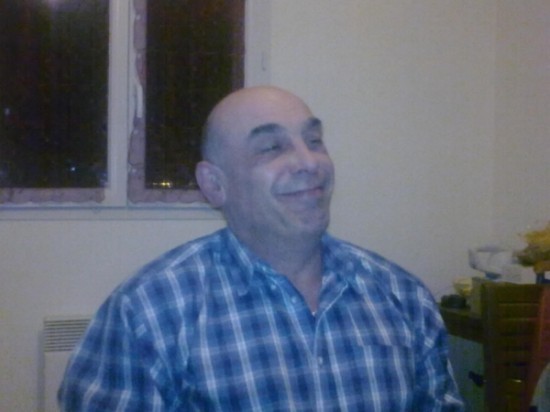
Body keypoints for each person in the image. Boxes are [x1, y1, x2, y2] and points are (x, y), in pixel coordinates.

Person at [58, 86, 464, 411]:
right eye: (272, 147)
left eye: (314, 140)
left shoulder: (403, 297)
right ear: (215, 184)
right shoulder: (148, 312)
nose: (310, 162)